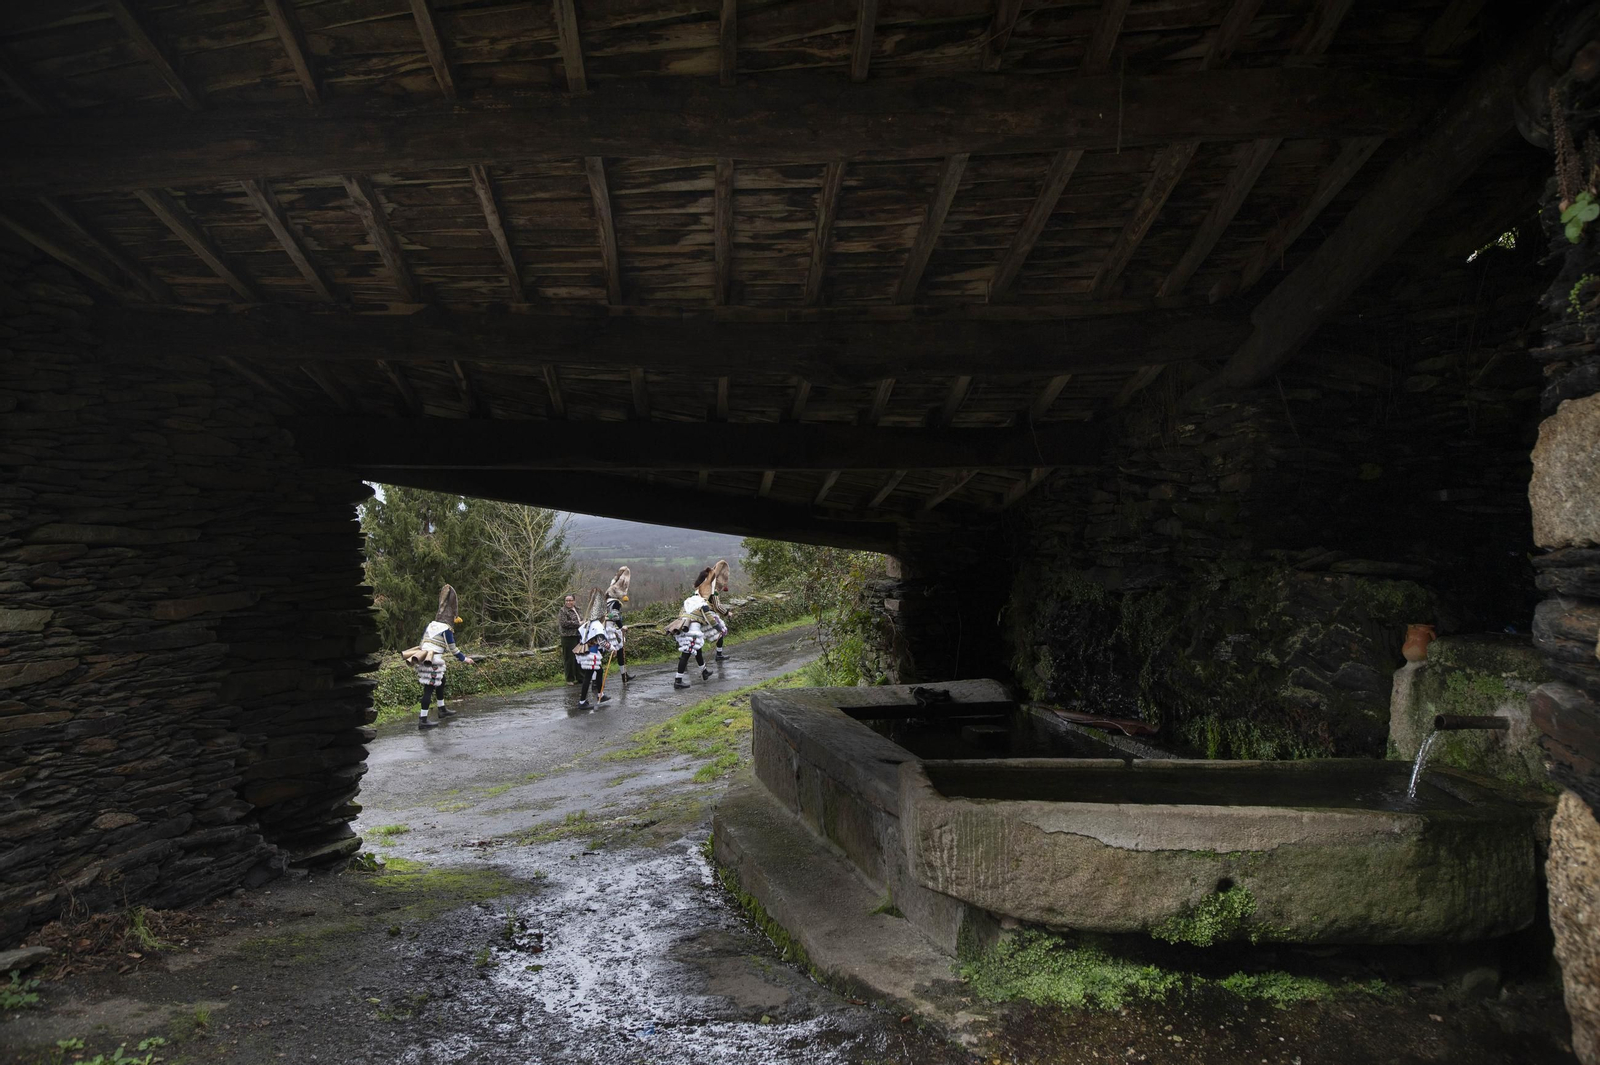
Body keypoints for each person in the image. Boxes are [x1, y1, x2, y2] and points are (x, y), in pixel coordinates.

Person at [403, 584, 475, 730]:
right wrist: (464, 659)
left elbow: (422, 643)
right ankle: (423, 720)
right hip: (433, 661)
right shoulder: (446, 629)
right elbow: (453, 648)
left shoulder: (431, 625)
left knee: (442, 680)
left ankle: (442, 710)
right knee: (428, 689)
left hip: (423, 658)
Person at [668, 585, 717, 690]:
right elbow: (710, 618)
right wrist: (719, 628)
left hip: (684, 627)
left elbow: (681, 615)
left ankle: (704, 672)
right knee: (686, 654)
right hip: (693, 631)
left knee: (698, 650)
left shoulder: (687, 602)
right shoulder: (702, 603)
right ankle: (678, 680)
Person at [696, 559, 733, 663]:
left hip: (695, 614)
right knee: (721, 630)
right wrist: (727, 613)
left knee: (694, 637)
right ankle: (719, 654)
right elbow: (717, 605)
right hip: (706, 614)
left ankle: (683, 658)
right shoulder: (713, 591)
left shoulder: (700, 588)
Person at [573, 619, 612, 709]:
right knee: (588, 676)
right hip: (591, 654)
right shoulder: (597, 625)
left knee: (599, 671)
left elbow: (579, 634)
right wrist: (612, 648)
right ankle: (582, 702)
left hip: (590, 652)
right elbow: (602, 641)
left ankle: (600, 695)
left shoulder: (589, 623)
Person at [604, 566, 633, 684]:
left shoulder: (605, 601)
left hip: (603, 628)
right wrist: (622, 627)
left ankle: (624, 674)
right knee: (618, 650)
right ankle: (623, 675)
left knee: (607, 651)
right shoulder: (615, 603)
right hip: (609, 629)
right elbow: (615, 616)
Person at [558, 593, 582, 684]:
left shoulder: (578, 609)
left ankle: (580, 677)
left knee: (579, 656)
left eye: (570, 600)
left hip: (578, 635)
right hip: (568, 637)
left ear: (574, 601)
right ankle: (570, 678)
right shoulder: (563, 611)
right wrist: (578, 623)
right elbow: (564, 623)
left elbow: (582, 619)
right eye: (567, 600)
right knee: (569, 658)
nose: (568, 602)